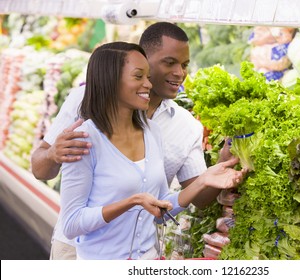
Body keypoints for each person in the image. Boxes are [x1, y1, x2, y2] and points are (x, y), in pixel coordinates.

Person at [30, 22, 235, 260]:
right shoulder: (83, 108)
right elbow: (41, 172)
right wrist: (53, 154)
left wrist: (218, 167)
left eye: (185, 65)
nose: (180, 73)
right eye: (169, 62)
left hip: (140, 255)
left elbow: (189, 200)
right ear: (143, 59)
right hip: (78, 251)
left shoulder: (182, 126)